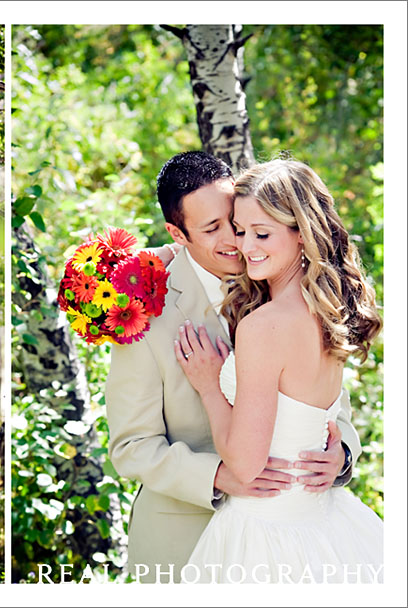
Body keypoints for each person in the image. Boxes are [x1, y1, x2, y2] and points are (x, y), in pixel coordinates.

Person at [104, 151, 362, 583]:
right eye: (213, 229)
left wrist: (342, 456)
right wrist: (220, 477)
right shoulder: (144, 313)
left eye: (238, 223)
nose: (236, 241)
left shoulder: (278, 283)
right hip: (183, 544)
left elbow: (326, 400)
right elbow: (131, 446)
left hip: (290, 539)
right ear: (177, 233)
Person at [174, 159, 383, 583]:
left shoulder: (264, 327)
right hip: (324, 520)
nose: (246, 246)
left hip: (265, 532)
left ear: (302, 235)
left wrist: (210, 386)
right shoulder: (329, 312)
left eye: (262, 233)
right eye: (240, 229)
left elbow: (245, 465)